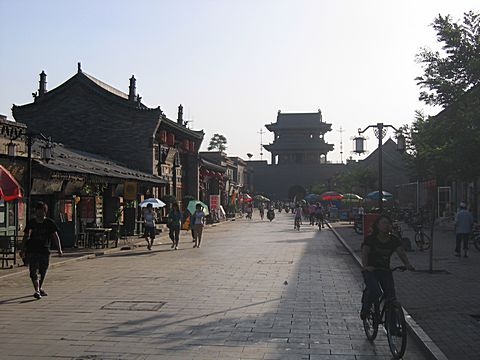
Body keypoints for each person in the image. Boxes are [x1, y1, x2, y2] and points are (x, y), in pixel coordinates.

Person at [360, 214, 414, 320]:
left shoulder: (393, 240)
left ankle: (392, 327)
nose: (386, 225)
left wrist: (407, 264)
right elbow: (365, 253)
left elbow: (401, 252)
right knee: (376, 291)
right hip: (371, 271)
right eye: (384, 223)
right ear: (377, 225)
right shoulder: (371, 239)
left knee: (391, 297)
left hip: (385, 270)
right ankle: (366, 307)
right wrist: (366, 267)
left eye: (389, 223)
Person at [22, 201, 63, 300]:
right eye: (38, 211)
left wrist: (59, 249)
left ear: (45, 212)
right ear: (36, 211)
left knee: (43, 270)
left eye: (42, 211)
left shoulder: (49, 223)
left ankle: (39, 288)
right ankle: (37, 290)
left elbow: (55, 236)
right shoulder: (31, 223)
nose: (40, 213)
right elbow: (26, 236)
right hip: (33, 250)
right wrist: (23, 249)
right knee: (33, 271)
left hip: (45, 250)